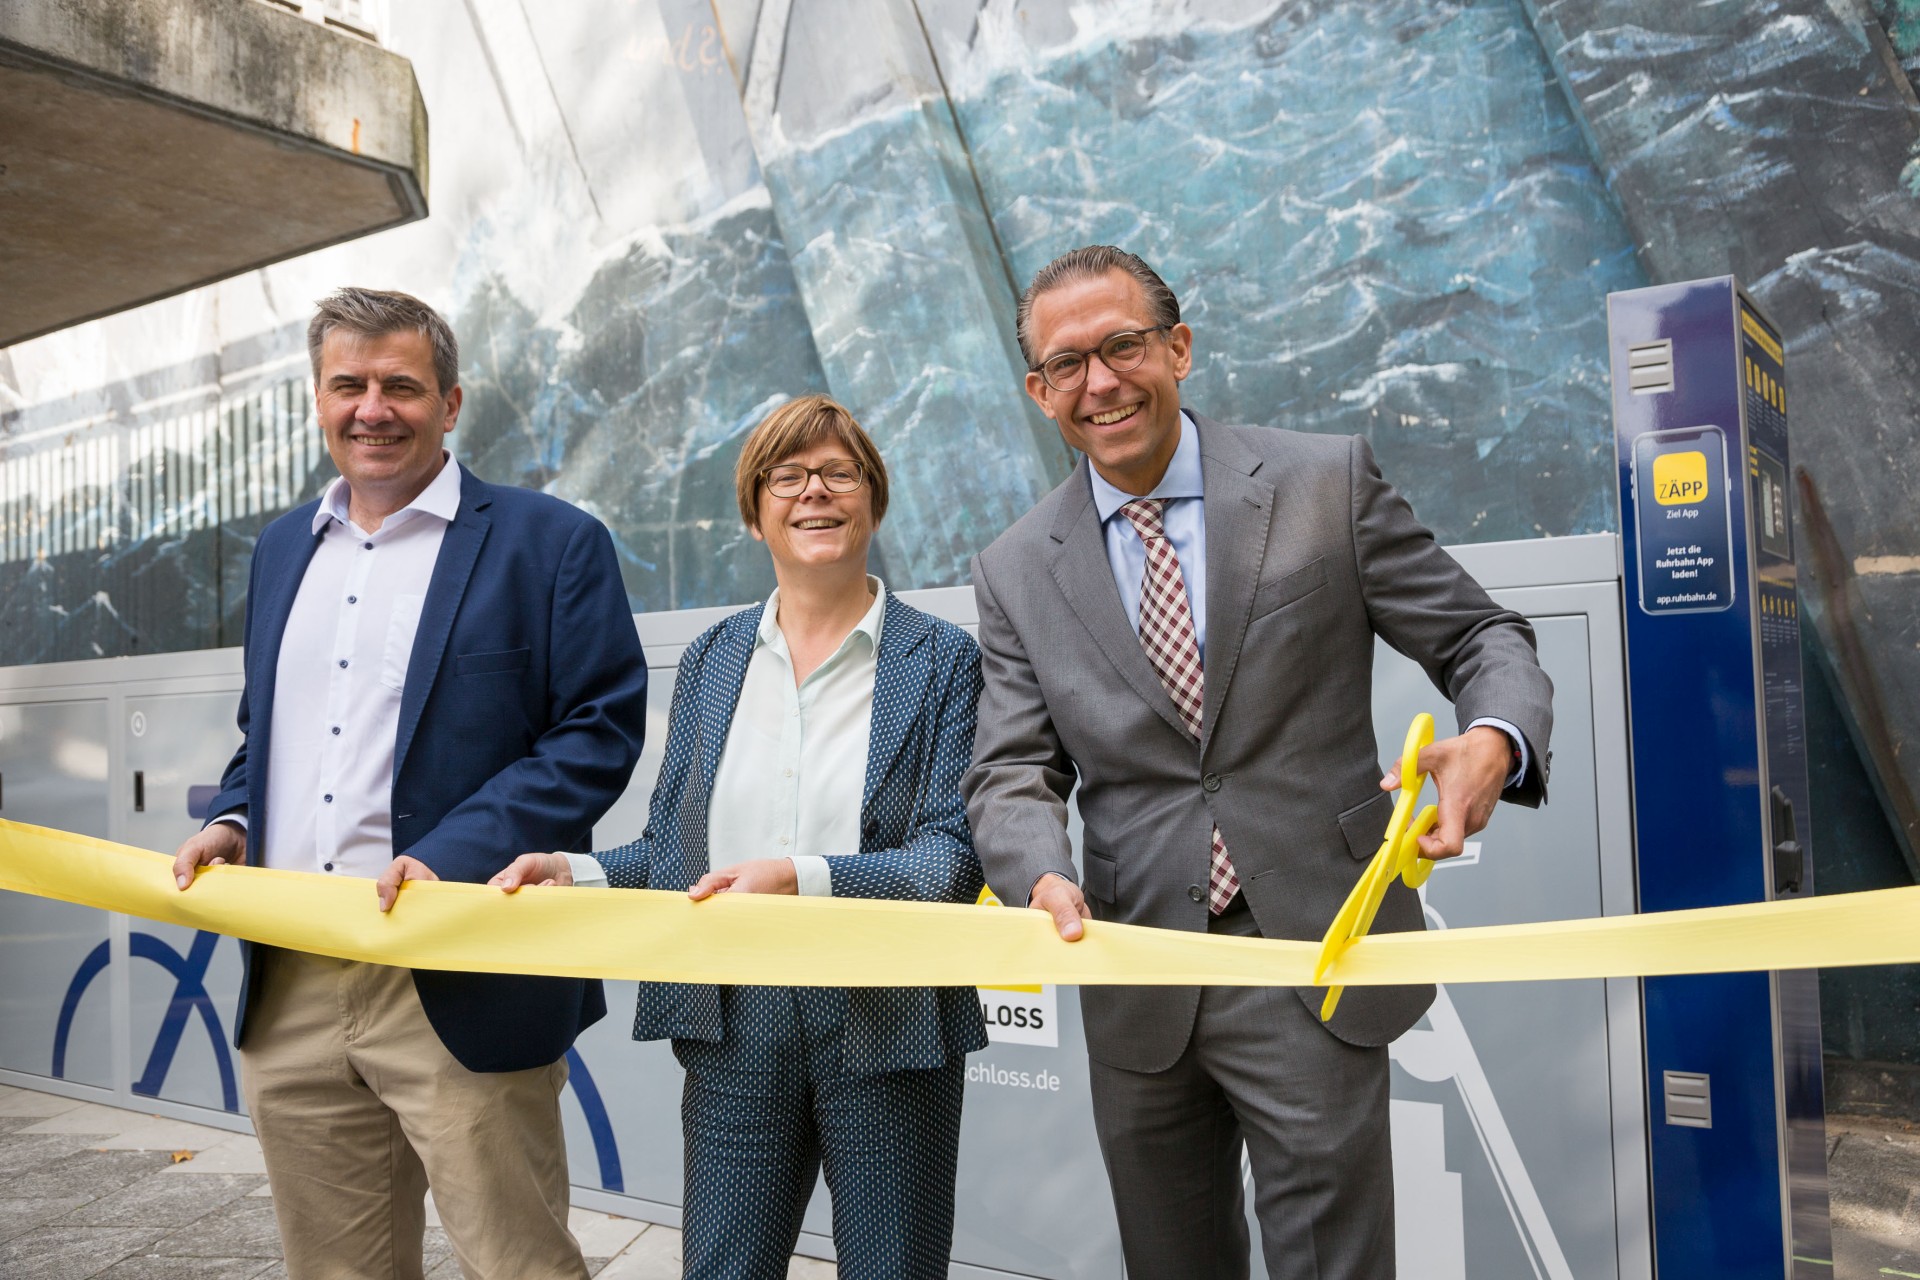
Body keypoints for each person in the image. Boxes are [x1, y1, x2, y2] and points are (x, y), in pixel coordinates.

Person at [961, 246, 1554, 1280]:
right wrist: (1037, 871)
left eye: (1123, 346)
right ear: (1040, 390)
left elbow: (1482, 637)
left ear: (1177, 347)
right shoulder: (1013, 567)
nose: (1099, 382)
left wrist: (1495, 739)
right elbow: (1010, 769)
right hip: (1136, 968)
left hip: (1311, 958)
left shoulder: (1327, 481)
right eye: (1068, 364)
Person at [169, 287, 649, 1280]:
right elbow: (269, 733)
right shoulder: (276, 551)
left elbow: (597, 730)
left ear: (452, 400)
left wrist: (448, 854)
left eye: (401, 385)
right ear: (318, 400)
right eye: (349, 385)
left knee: (520, 1264)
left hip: (461, 963)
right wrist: (233, 814)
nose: (372, 408)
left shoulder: (551, 543)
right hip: (293, 969)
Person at [492, 394, 986, 1280]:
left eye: (839, 474)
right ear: (755, 514)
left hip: (885, 1009)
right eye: (787, 477)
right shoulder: (714, 659)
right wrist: (575, 870)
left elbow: (950, 859)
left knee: (895, 1270)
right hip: (734, 1018)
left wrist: (805, 878)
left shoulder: (944, 659)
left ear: (873, 499)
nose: (815, 495)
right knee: (723, 1268)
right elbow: (675, 854)